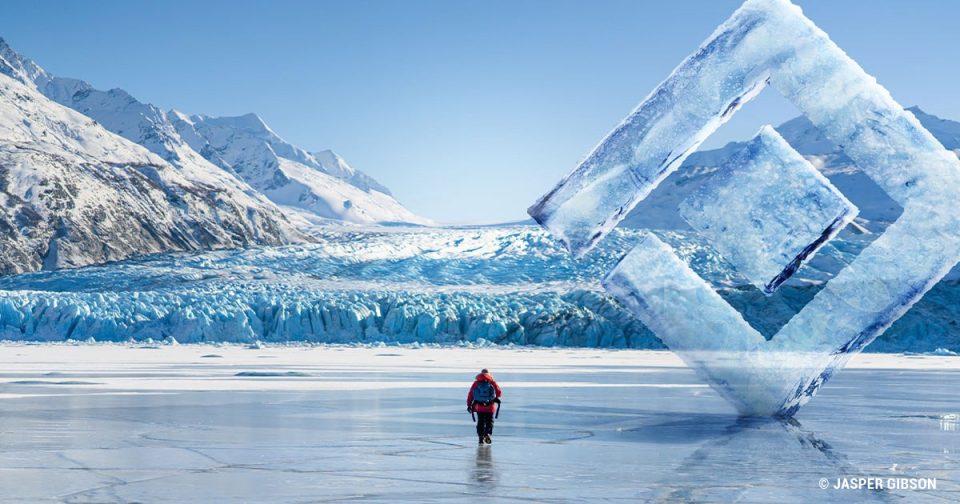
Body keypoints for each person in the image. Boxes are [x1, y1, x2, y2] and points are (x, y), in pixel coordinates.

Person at [467, 368, 502, 445]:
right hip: (490, 406)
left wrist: (469, 405)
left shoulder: (476, 383)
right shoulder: (491, 382)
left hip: (479, 406)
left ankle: (480, 437)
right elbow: (499, 393)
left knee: (481, 421)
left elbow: (471, 395)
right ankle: (487, 434)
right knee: (489, 421)